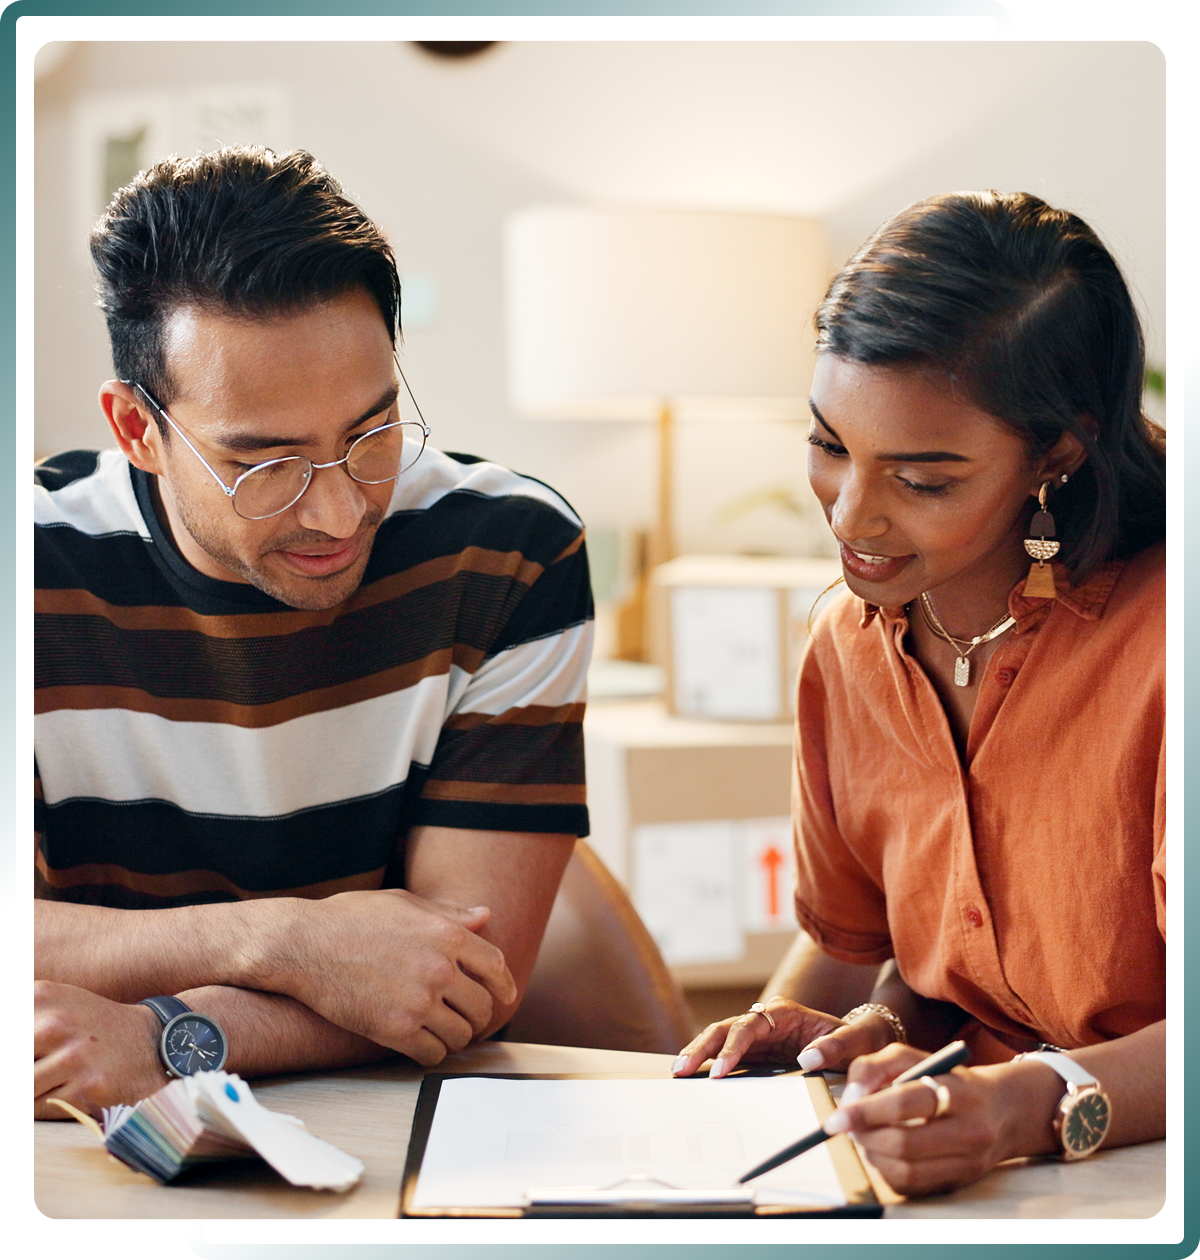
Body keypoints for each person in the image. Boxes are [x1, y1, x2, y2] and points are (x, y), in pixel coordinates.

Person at [34, 147, 592, 1118]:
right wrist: (282, 941)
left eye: (372, 433)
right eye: (266, 464)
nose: (337, 513)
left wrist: (172, 1036)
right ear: (136, 430)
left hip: (390, 1112)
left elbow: (468, 974)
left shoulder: (509, 555)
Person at [672, 191, 1176, 1196]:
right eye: (829, 446)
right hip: (971, 1175)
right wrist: (821, 1041)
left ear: (1059, 453)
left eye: (923, 479)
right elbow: (868, 952)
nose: (851, 517)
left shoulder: (1170, 648)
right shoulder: (847, 644)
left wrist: (1019, 1106)